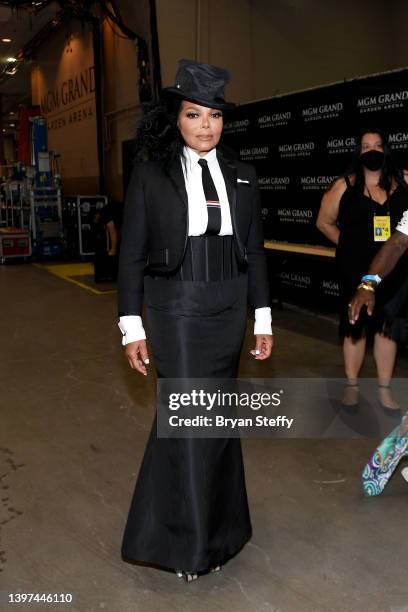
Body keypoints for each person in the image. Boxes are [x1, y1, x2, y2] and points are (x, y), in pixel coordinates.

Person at [117, 59, 273, 582]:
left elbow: (254, 248)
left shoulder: (244, 175)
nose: (205, 126)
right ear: (175, 118)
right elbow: (131, 255)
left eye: (214, 116)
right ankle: (189, 545)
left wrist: (263, 317)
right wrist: (131, 327)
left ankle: (222, 531)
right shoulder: (151, 173)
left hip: (229, 307)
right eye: (193, 114)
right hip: (177, 307)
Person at [316, 129, 408, 411]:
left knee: (387, 327)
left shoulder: (402, 182)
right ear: (357, 152)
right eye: (366, 146)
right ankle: (352, 387)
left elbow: (401, 240)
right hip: (354, 270)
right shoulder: (344, 186)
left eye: (378, 145)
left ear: (387, 150)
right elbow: (324, 223)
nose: (372, 151)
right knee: (355, 326)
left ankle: (383, 390)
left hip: (395, 270)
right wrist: (348, 247)